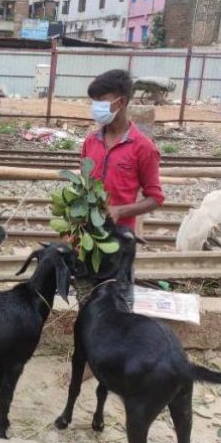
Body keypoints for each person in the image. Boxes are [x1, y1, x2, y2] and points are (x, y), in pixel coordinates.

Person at [76, 69, 164, 310]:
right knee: (86, 305)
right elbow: (82, 187)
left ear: (121, 102)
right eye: (93, 102)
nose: (95, 107)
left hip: (119, 244)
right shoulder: (91, 142)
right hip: (87, 240)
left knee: (117, 309)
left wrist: (120, 211)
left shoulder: (143, 148)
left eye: (101, 101)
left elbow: (155, 197)